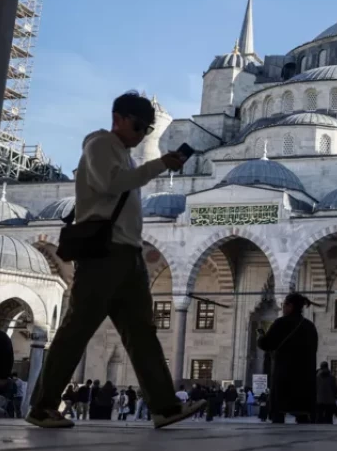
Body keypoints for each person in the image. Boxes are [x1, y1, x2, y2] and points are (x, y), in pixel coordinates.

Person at [25, 92, 205, 429]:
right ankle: (42, 406)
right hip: (104, 255)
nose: (140, 136)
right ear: (119, 118)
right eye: (138, 127)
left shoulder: (125, 155)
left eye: (146, 130)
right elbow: (110, 184)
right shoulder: (100, 144)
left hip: (129, 255)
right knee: (78, 328)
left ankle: (165, 406)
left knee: (142, 333)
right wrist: (160, 165)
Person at [258, 293, 318, 424]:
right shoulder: (309, 326)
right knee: (302, 413)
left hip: (284, 375)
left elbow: (266, 344)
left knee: (279, 412)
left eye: (284, 305)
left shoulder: (281, 323)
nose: (283, 308)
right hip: (304, 379)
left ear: (290, 306)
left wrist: (261, 338)